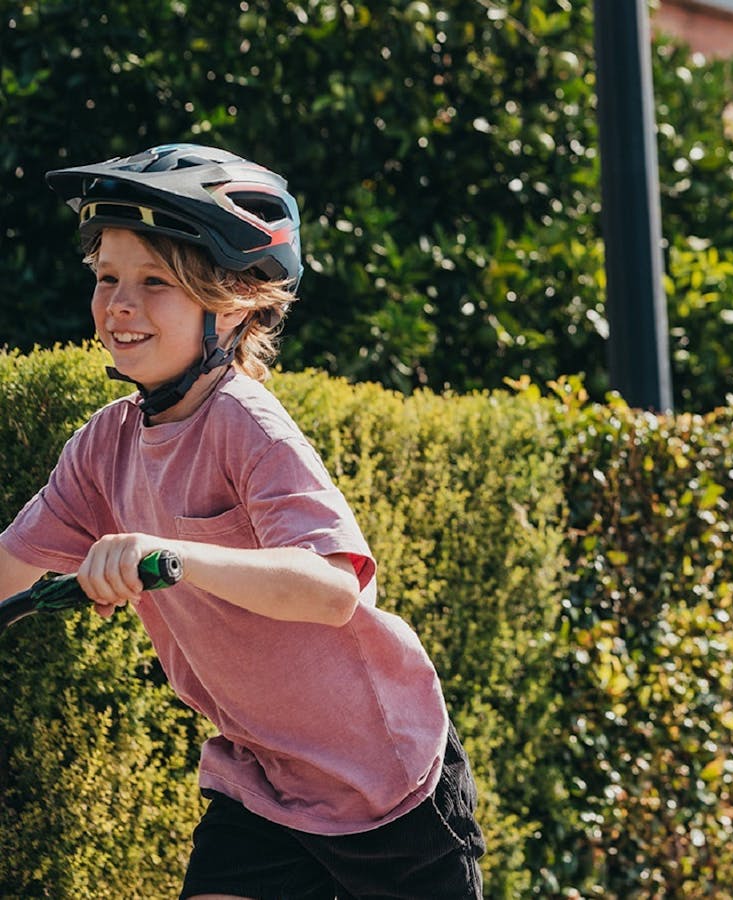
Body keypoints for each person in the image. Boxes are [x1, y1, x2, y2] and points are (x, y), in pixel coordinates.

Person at [0, 144, 486, 898]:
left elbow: (331, 589)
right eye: (106, 278)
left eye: (154, 282)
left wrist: (169, 554)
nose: (118, 304)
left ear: (234, 301)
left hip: (387, 785)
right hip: (264, 784)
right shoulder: (107, 443)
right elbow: (11, 567)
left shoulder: (245, 423)